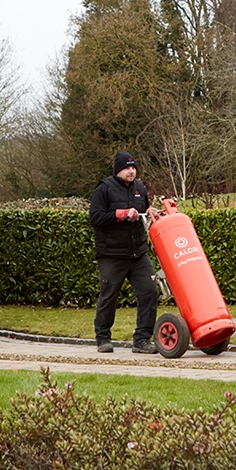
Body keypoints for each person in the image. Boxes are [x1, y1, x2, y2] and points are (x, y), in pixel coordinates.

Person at [87, 151, 160, 353]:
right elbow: (95, 218)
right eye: (127, 168)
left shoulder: (139, 187)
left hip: (138, 254)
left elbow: (144, 208)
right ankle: (103, 338)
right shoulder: (104, 189)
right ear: (118, 170)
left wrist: (152, 212)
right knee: (109, 296)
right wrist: (119, 215)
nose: (131, 171)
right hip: (111, 255)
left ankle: (142, 339)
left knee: (149, 292)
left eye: (134, 168)